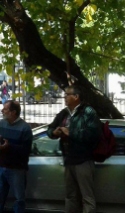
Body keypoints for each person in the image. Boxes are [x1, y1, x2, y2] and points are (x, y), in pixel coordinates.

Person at [47, 85, 101, 213]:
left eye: (67, 94)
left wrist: (71, 132)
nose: (64, 97)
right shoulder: (64, 113)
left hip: (83, 160)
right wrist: (54, 133)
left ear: (76, 96)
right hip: (68, 159)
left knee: (87, 197)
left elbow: (93, 135)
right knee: (70, 196)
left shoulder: (88, 111)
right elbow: (49, 129)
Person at [0, 100, 33, 213]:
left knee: (19, 200)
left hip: (17, 169)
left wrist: (9, 147)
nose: (2, 111)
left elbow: (26, 151)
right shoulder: (1, 123)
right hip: (1, 166)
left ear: (13, 112)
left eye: (5, 109)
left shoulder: (25, 128)